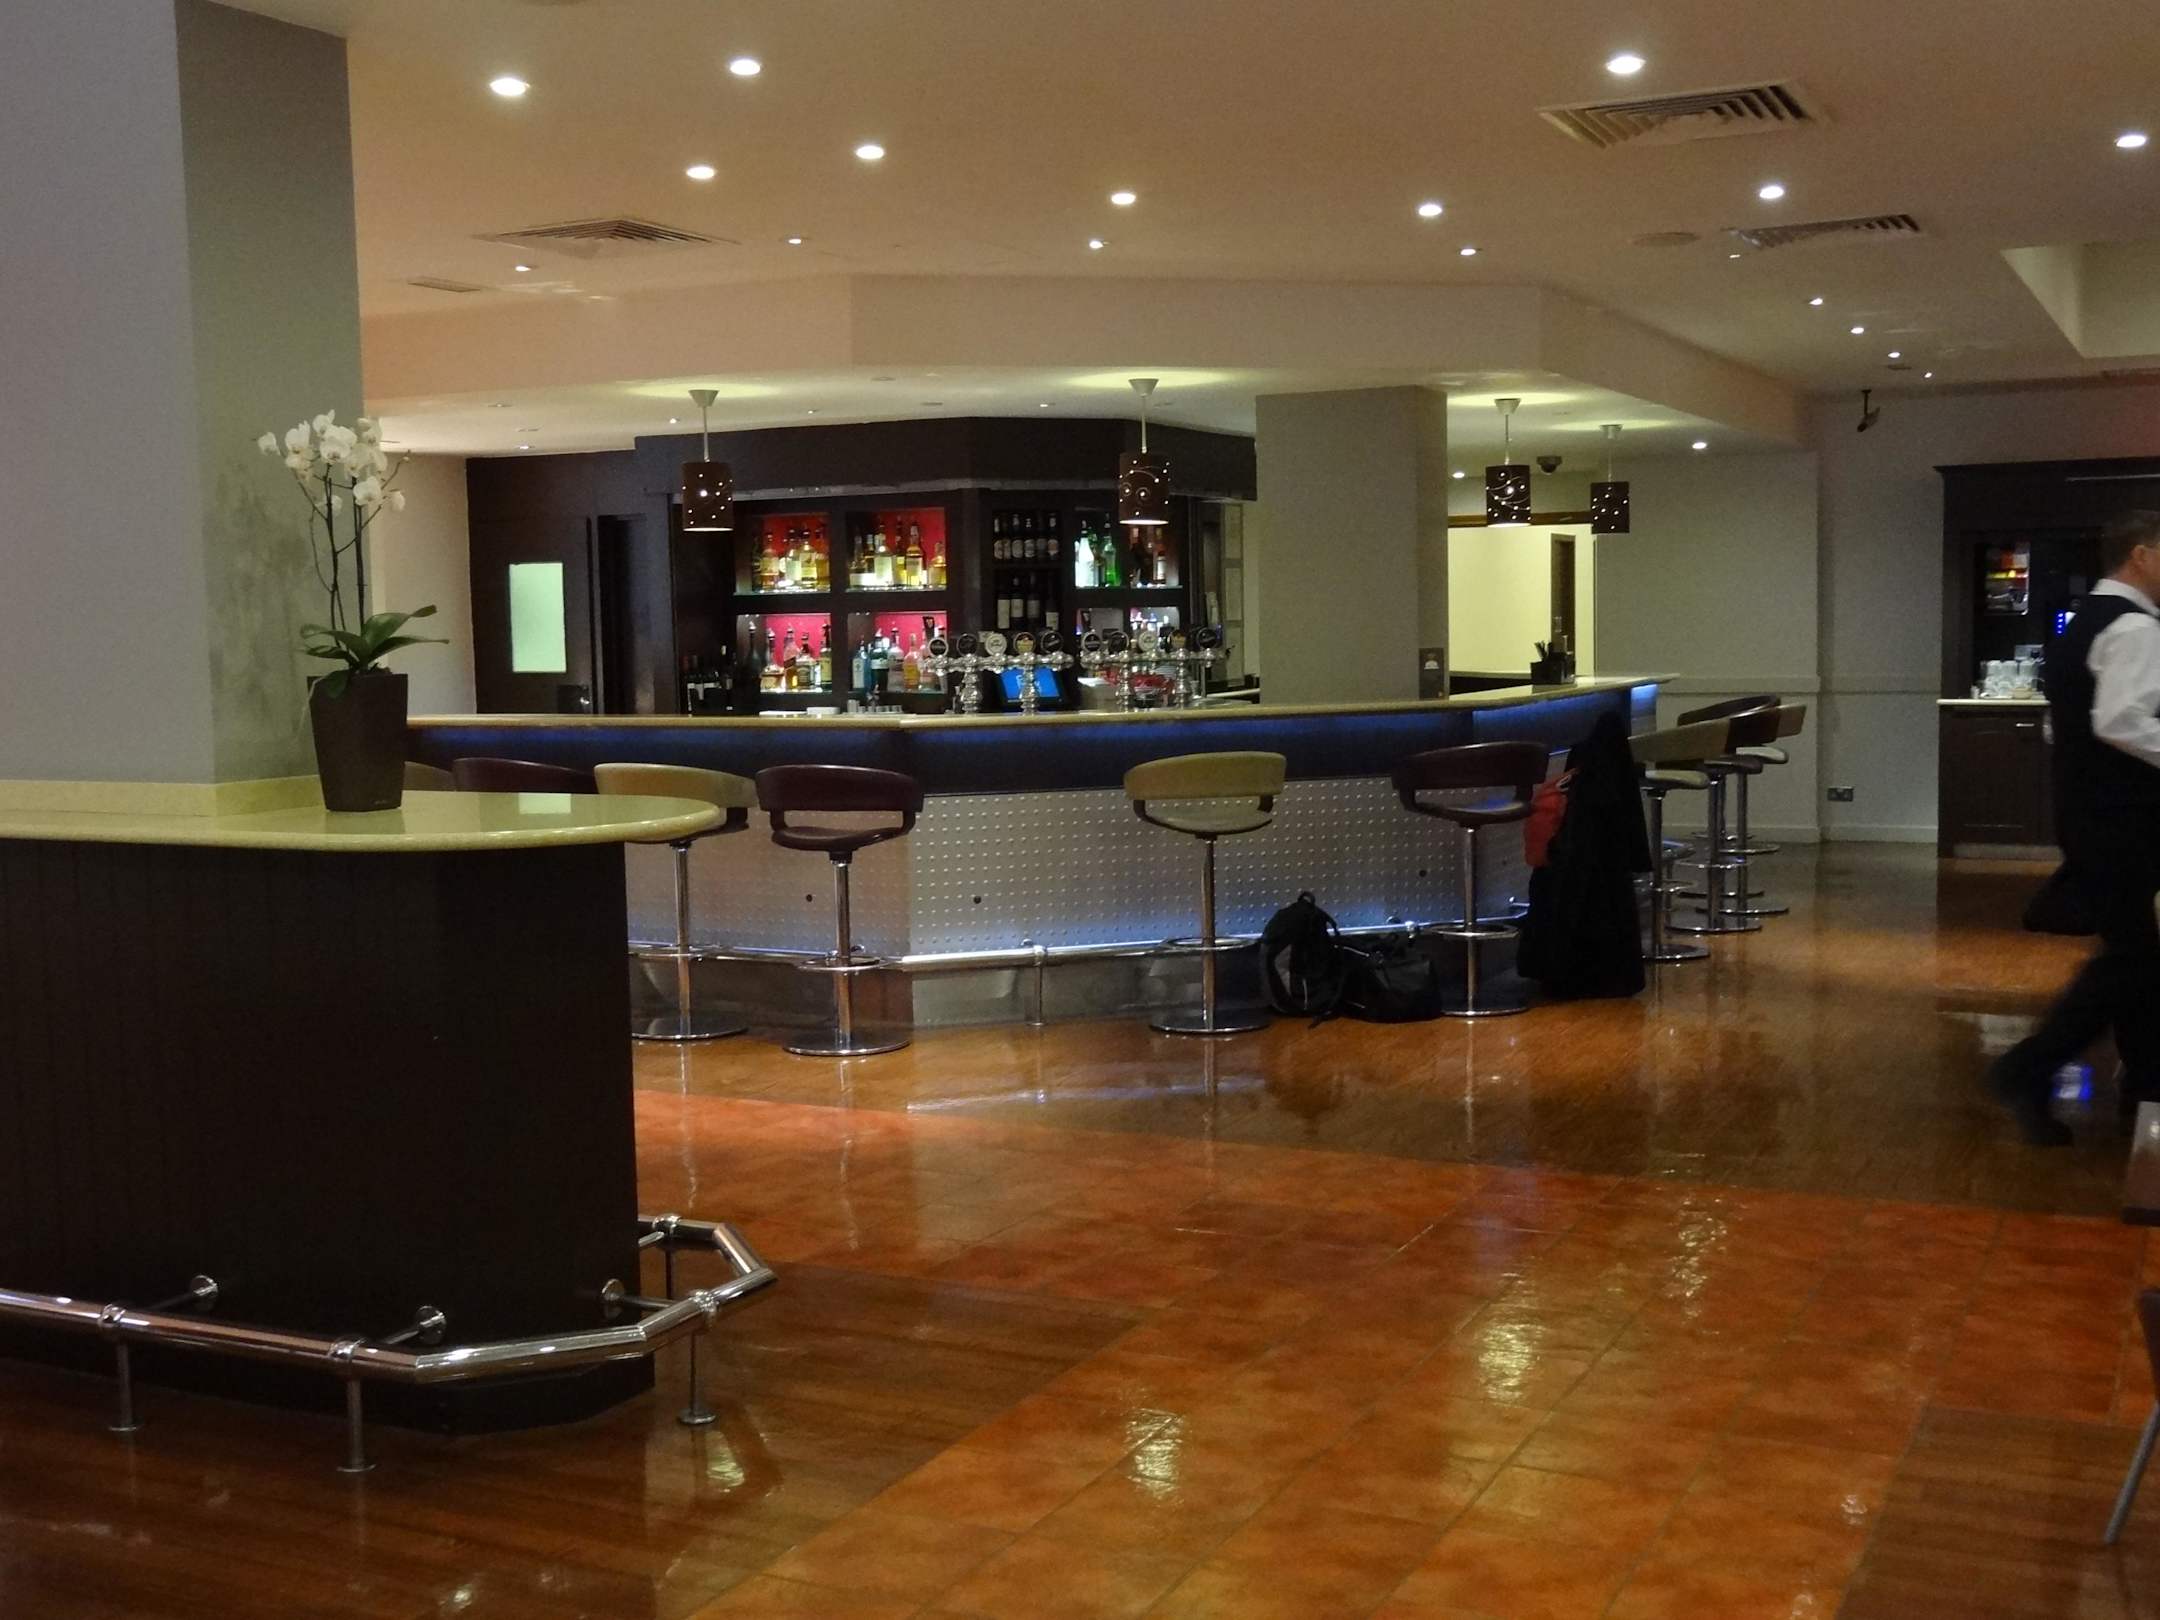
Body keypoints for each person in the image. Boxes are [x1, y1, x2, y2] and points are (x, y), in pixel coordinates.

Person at [1989, 510, 2160, 1144]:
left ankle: (2146, 1082)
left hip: (2089, 813)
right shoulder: (2135, 628)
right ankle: (2029, 1068)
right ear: (2140, 555)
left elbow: (2057, 726)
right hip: (2128, 819)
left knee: (2137, 955)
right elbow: (2121, 722)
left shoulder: (2085, 621)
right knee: (2134, 958)